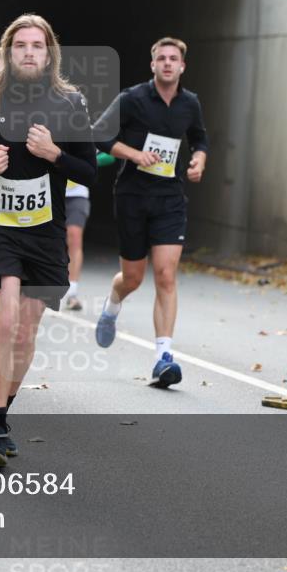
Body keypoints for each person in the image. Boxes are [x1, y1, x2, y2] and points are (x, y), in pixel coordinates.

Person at [0, 14, 96, 466]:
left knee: (25, 331)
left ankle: (2, 413)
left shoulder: (70, 102)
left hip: (45, 230)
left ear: (49, 52)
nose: (30, 52)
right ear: (9, 51)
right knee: (5, 318)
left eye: (38, 45)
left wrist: (55, 154)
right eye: (21, 45)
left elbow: (88, 169)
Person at [93, 37, 208, 389]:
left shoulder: (190, 104)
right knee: (132, 278)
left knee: (166, 275)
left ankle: (163, 358)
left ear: (183, 66)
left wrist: (200, 159)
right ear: (153, 64)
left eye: (174, 59)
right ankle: (113, 305)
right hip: (132, 196)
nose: (168, 63)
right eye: (162, 58)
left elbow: (199, 138)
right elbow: (99, 135)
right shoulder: (132, 99)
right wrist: (134, 154)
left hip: (170, 199)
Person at [62, 151, 116, 310]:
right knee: (46, 242)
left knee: (74, 237)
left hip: (77, 195)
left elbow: (109, 155)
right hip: (49, 194)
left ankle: (72, 293)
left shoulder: (84, 131)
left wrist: (87, 160)